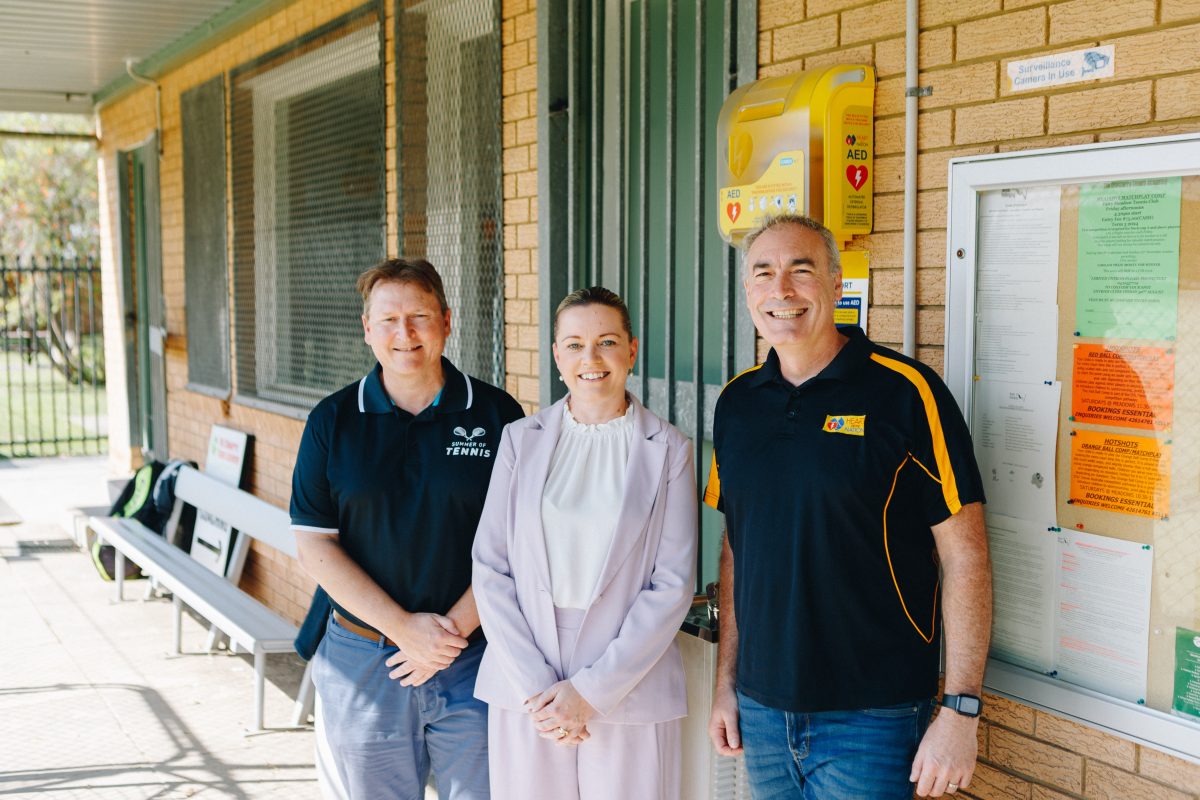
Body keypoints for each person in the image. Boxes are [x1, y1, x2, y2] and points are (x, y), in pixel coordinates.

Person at [705, 215, 992, 799]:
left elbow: (966, 556)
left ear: (838, 285)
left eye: (800, 271)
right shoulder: (737, 404)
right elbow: (737, 547)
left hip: (873, 716)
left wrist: (961, 710)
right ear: (748, 292)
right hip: (761, 711)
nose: (781, 291)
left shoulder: (906, 393)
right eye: (764, 273)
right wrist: (725, 684)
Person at [291, 258, 524, 800]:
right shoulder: (332, 421)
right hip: (366, 659)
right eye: (389, 320)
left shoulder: (497, 414)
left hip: (475, 656)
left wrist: (447, 635)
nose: (405, 334)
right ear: (367, 328)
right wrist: (404, 629)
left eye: (419, 316)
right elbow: (315, 545)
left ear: (447, 319)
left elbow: (522, 543)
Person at [472, 286, 697, 800]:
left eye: (607, 342)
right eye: (573, 344)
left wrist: (592, 693)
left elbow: (673, 582)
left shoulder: (669, 449)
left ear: (632, 350)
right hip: (527, 679)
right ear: (556, 355)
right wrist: (537, 688)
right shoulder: (518, 440)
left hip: (629, 680)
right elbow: (489, 567)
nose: (590, 359)